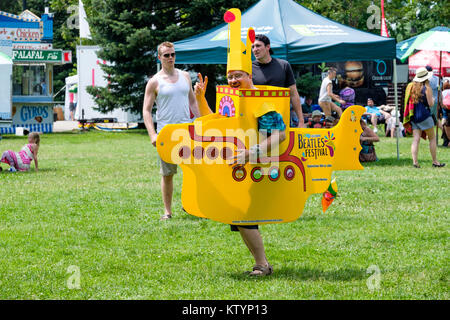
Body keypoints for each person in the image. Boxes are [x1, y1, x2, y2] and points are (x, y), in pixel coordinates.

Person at [194, 68, 286, 276]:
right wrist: (200, 99)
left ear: (249, 76)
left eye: (238, 76)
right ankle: (261, 264)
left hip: (257, 167)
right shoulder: (234, 99)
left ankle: (262, 265)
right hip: (237, 166)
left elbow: (279, 135)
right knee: (237, 218)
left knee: (243, 216)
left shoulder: (260, 103)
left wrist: (251, 153)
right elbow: (215, 124)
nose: (233, 80)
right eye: (230, 77)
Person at [143, 41, 201, 221]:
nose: (170, 58)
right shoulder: (154, 81)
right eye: (166, 55)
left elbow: (192, 101)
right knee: (168, 174)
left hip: (187, 131)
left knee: (193, 171)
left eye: (173, 54)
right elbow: (146, 110)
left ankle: (193, 206)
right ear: (159, 57)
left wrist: (200, 122)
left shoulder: (185, 76)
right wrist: (153, 134)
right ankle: (167, 212)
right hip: (166, 134)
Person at [251, 34, 305, 128]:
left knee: (281, 141)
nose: (255, 49)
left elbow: (293, 94)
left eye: (258, 45)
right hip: (256, 120)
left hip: (281, 119)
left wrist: (301, 120)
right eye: (253, 47)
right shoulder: (248, 68)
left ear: (268, 47)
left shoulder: (283, 65)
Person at [403, 67, 445, 168]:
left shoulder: (412, 88)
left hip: (414, 116)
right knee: (432, 139)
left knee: (416, 140)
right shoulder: (427, 88)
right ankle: (435, 161)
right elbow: (430, 104)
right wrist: (434, 100)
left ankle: (415, 162)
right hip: (425, 116)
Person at [440, 80, 450, 147]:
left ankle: (446, 141)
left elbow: (441, 102)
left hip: (445, 110)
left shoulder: (442, 92)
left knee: (444, 124)